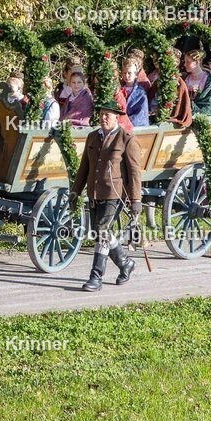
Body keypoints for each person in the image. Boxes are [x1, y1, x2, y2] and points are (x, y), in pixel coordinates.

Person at [69, 99, 141, 292]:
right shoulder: (93, 137)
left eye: (107, 115)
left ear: (116, 117)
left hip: (114, 193)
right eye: (101, 114)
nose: (103, 118)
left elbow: (134, 172)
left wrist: (136, 200)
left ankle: (96, 277)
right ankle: (125, 263)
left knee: (101, 231)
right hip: (94, 191)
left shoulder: (127, 140)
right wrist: (75, 190)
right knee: (101, 233)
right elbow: (84, 167)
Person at [182, 49, 211, 117]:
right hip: (185, 113)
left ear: (197, 62)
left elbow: (209, 104)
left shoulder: (209, 81)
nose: (184, 64)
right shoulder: (186, 78)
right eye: (185, 62)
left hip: (202, 116)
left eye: (188, 62)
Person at [118, 58, 150, 127]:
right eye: (124, 73)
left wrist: (126, 122)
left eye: (129, 73)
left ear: (136, 74)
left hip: (136, 127)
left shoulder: (140, 93)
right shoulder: (119, 90)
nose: (126, 75)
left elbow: (141, 114)